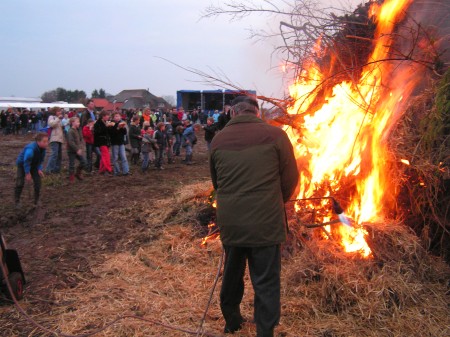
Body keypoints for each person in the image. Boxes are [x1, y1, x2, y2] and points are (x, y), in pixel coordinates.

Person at [209, 96, 299, 337]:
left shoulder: (218, 140)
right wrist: (274, 201)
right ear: (257, 113)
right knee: (266, 279)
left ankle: (232, 322)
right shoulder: (277, 136)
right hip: (266, 223)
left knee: (232, 273)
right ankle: (265, 330)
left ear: (232, 113)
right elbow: (291, 179)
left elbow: (216, 182)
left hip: (232, 222)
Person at [15, 132, 49, 208]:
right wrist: (27, 173)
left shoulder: (43, 149)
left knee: (38, 183)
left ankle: (36, 201)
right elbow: (26, 162)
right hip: (22, 165)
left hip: (34, 165)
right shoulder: (30, 150)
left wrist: (39, 169)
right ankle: (17, 201)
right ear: (38, 141)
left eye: (47, 141)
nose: (47, 143)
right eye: (44, 141)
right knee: (20, 183)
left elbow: (40, 160)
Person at [66, 117, 87, 183]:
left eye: (79, 122)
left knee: (83, 162)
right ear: (72, 123)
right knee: (72, 164)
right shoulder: (70, 131)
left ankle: (78, 173)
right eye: (77, 122)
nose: (79, 123)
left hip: (77, 150)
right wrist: (77, 149)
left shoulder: (77, 130)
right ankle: (71, 178)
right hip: (71, 151)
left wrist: (80, 148)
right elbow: (70, 142)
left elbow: (79, 139)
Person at [94, 111, 114, 175]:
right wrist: (106, 127)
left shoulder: (105, 122)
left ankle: (101, 170)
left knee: (104, 156)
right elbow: (98, 132)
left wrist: (110, 127)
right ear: (103, 116)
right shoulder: (98, 123)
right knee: (106, 156)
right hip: (101, 141)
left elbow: (108, 132)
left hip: (106, 141)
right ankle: (108, 169)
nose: (108, 117)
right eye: (107, 115)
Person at [45, 107, 64, 174]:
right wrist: (58, 118)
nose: (60, 113)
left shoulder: (59, 119)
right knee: (54, 154)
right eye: (58, 111)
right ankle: (48, 169)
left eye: (60, 111)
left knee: (59, 155)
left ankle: (56, 169)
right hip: (54, 138)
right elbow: (51, 124)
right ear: (55, 112)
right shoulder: (51, 117)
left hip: (59, 139)